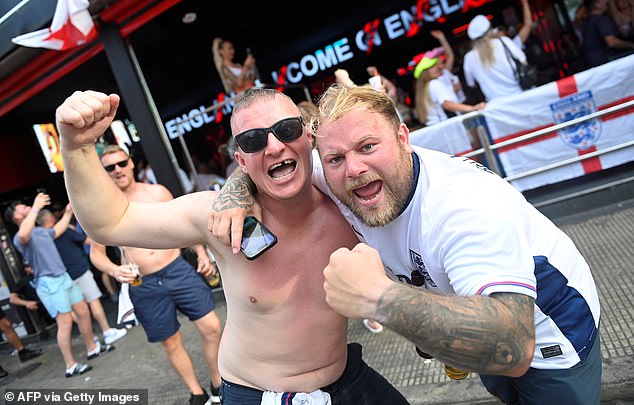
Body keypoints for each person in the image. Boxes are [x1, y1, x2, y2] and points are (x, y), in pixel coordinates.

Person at [209, 84, 602, 404]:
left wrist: (380, 297)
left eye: (368, 147)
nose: (355, 169)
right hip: (472, 315)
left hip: (551, 331)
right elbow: (274, 164)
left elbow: (514, 348)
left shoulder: (464, 205)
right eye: (336, 158)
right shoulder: (333, 172)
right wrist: (237, 190)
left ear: (402, 138)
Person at [56, 88, 408, 405]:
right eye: (254, 141)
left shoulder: (349, 200)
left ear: (308, 136)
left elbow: (399, 166)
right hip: (254, 393)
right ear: (241, 160)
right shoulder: (218, 218)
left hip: (343, 378)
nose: (274, 147)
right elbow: (109, 222)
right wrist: (76, 146)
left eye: (286, 130)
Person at [85, 145, 222, 405]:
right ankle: (196, 393)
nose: (117, 170)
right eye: (109, 168)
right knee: (170, 342)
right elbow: (96, 254)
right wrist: (115, 270)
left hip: (177, 269)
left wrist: (202, 254)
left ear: (131, 163)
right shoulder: (104, 207)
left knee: (213, 327)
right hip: (143, 283)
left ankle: (217, 383)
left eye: (121, 163)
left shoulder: (157, 192)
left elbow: (186, 223)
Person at [3, 195, 111, 378]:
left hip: (63, 276)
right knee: (65, 321)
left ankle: (92, 348)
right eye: (22, 207)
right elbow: (23, 235)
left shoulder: (38, 231)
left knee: (83, 310)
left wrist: (68, 212)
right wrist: (36, 208)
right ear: (17, 217)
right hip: (48, 283)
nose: (27, 206)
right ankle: (70, 365)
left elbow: (57, 231)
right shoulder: (20, 237)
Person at [37, 209, 128, 346]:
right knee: (93, 301)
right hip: (79, 270)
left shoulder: (42, 240)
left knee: (76, 311)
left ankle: (90, 338)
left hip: (63, 277)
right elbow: (87, 240)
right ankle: (107, 331)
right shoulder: (65, 231)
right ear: (51, 218)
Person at [463, 14, 528, 101]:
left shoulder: (468, 58)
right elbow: (523, 61)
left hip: (496, 107)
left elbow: (471, 84)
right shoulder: (503, 42)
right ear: (490, 29)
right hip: (519, 97)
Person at [414, 56, 485, 126]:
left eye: (434, 65)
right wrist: (472, 108)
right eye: (431, 67)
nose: (437, 68)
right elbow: (447, 104)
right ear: (425, 73)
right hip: (448, 126)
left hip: (439, 127)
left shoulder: (425, 89)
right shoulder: (434, 84)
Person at [582, 0, 634, 68]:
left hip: (592, 62)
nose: (606, 2)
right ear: (597, 4)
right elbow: (612, 42)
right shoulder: (601, 19)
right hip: (604, 61)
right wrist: (631, 45)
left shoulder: (588, 21)